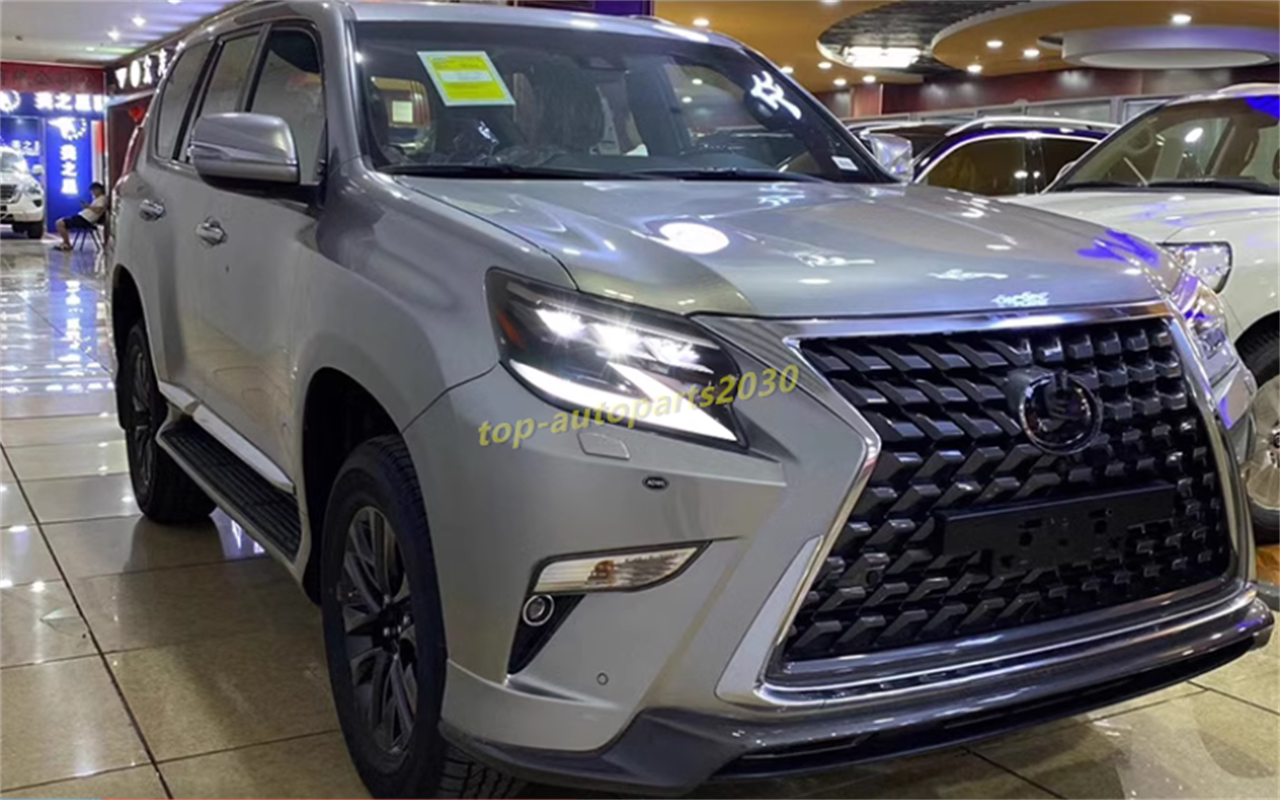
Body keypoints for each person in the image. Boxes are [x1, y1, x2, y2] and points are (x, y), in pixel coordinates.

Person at [53, 182, 107, 251]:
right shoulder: (97, 199)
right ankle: (65, 242)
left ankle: (67, 244)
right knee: (60, 222)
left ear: (98, 189)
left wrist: (88, 206)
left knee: (60, 223)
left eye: (93, 191)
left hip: (85, 220)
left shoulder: (102, 199)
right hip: (82, 217)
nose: (93, 193)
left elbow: (98, 210)